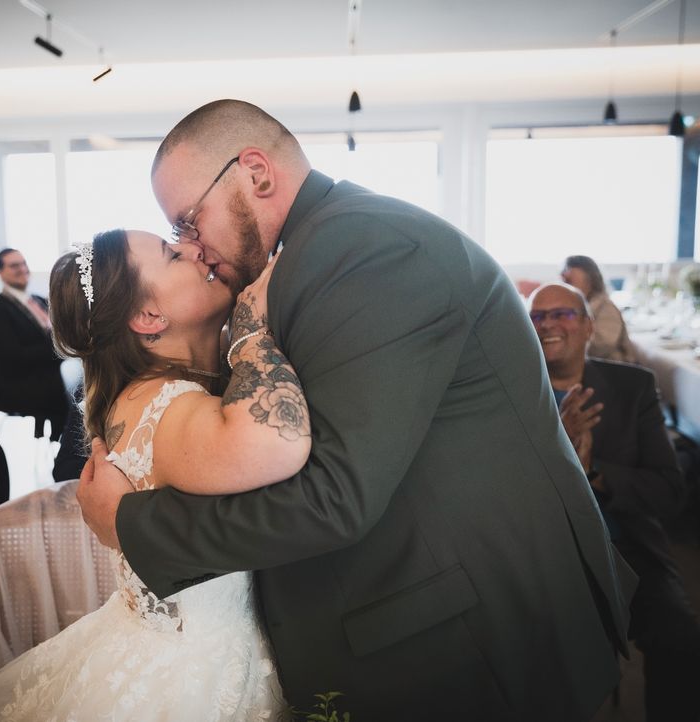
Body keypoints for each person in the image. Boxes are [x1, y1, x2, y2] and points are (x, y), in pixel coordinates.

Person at [77, 99, 637, 721]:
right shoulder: (312, 252)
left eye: (189, 220)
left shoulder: (365, 251)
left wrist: (133, 525)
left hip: (472, 639)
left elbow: (335, 496)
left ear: (256, 173)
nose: (194, 247)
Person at [0, 229, 309, 721]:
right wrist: (249, 333)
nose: (196, 249)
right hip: (191, 681)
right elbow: (279, 441)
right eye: (174, 254)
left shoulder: (147, 390)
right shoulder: (169, 406)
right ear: (149, 317)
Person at [529, 282, 700, 721]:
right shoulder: (515, 397)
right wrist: (560, 458)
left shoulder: (632, 388)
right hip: (545, 554)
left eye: (562, 314)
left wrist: (593, 471)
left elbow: (669, 492)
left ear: (589, 326)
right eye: (536, 316)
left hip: (629, 547)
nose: (547, 323)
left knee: (679, 636)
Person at [0, 248, 69, 440]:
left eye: (24, 264)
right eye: (14, 266)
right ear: (0, 272)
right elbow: (12, 357)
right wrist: (61, 348)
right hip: (21, 383)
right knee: (75, 391)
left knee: (82, 379)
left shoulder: (39, 300)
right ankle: (69, 447)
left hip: (48, 372)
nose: (22, 269)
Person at [562, 254, 637, 363]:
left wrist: (565, 346)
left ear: (589, 279)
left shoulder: (605, 306)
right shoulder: (572, 306)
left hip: (612, 369)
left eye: (569, 281)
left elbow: (603, 345)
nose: (564, 275)